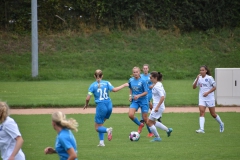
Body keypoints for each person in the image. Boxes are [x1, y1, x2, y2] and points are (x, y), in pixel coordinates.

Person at [83, 69, 129, 147]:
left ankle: (108, 130)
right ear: (102, 76)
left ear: (94, 76)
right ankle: (101, 142)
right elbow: (114, 90)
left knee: (97, 127)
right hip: (109, 106)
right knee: (100, 124)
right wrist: (124, 85)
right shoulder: (107, 82)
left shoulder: (92, 85)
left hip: (101, 106)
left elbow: (87, 98)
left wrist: (86, 104)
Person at [193, 65, 224, 133]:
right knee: (201, 112)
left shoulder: (209, 78)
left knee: (213, 114)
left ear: (206, 71)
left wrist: (207, 92)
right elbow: (194, 87)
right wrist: (197, 79)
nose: (201, 71)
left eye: (203, 70)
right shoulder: (199, 78)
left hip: (210, 98)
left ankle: (221, 123)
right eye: (200, 70)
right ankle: (201, 129)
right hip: (202, 98)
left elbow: (214, 87)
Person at [147, 71, 173, 142]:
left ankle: (157, 137)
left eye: (151, 78)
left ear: (155, 78)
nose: (150, 79)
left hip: (158, 107)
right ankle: (167, 130)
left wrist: (157, 107)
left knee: (149, 122)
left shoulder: (157, 86)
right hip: (159, 106)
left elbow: (162, 97)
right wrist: (153, 86)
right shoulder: (158, 84)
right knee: (153, 122)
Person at [128, 66, 149, 134]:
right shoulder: (131, 80)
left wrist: (139, 95)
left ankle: (151, 132)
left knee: (145, 118)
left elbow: (146, 92)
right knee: (130, 115)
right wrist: (130, 96)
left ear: (139, 72)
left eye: (137, 72)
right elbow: (131, 88)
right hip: (135, 101)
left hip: (143, 100)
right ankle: (140, 124)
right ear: (132, 73)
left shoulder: (143, 81)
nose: (135, 73)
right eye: (134, 72)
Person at [140, 64, 154, 137]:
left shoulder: (150, 76)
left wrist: (153, 85)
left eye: (146, 68)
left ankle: (142, 122)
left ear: (148, 69)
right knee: (146, 112)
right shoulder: (141, 76)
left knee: (143, 115)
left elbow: (156, 82)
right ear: (142, 69)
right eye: (144, 68)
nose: (145, 69)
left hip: (148, 95)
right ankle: (155, 114)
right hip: (142, 95)